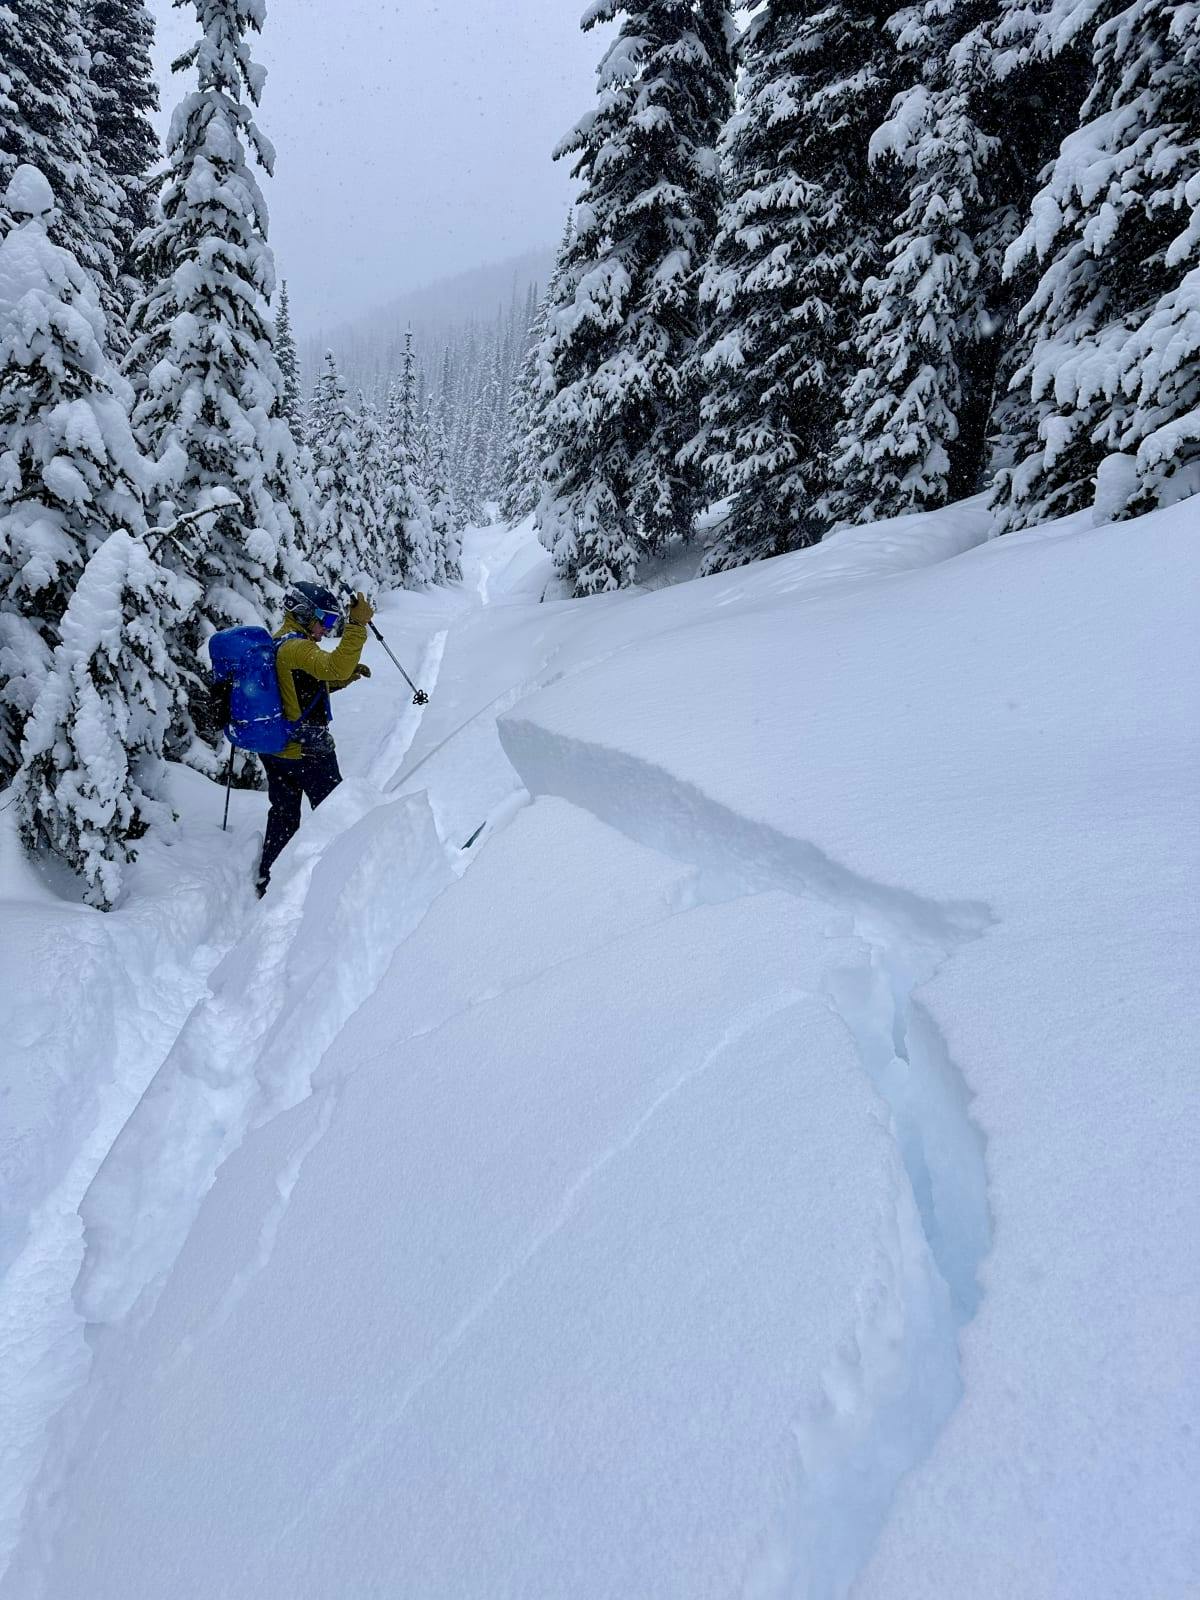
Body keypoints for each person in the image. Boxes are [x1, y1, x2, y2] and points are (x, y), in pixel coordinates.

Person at [255, 582, 375, 896]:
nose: (327, 629)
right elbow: (333, 665)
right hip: (308, 752)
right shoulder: (298, 647)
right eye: (326, 621)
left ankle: (268, 880)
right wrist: (356, 625)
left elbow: (300, 688)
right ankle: (339, 883)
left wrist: (344, 678)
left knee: (283, 814)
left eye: (334, 623)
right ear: (306, 613)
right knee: (336, 816)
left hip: (278, 750)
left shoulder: (280, 641)